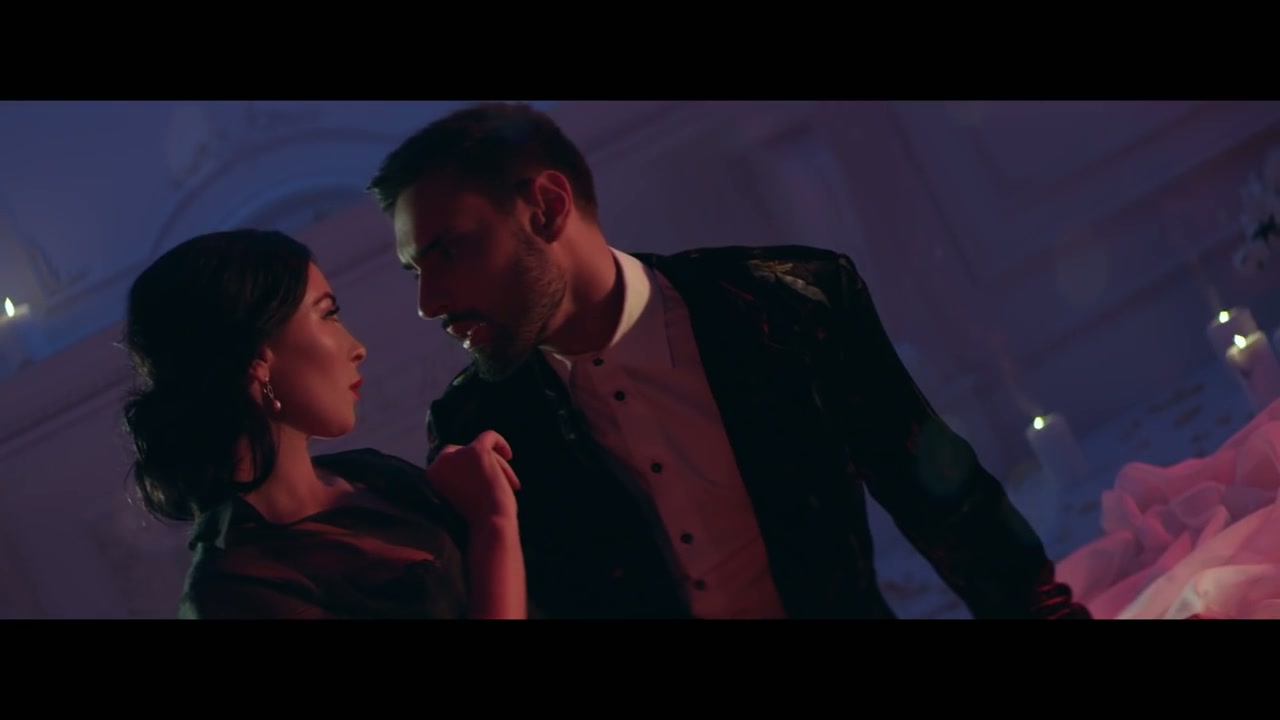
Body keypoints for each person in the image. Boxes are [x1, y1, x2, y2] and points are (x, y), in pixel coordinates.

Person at [365, 101, 1092, 619]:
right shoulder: (472, 426)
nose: (429, 302)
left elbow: (949, 505)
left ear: (547, 207)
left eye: (448, 251)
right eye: (414, 271)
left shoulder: (788, 304)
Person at [119, 229, 526, 619]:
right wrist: (492, 522)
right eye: (328, 314)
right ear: (257, 360)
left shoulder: (372, 474)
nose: (358, 348)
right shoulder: (234, 589)